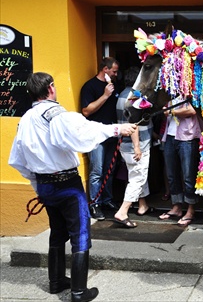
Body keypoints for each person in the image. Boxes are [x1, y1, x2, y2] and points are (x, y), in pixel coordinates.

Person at [8, 72, 136, 302]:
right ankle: (79, 292)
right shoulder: (55, 114)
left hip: (45, 185)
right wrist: (117, 129)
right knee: (80, 234)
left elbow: (18, 160)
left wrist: (38, 185)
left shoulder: (25, 118)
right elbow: (83, 131)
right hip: (67, 185)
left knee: (58, 232)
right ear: (50, 88)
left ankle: (56, 282)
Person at [113, 66, 155, 228]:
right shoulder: (133, 98)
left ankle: (142, 205)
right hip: (136, 146)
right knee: (137, 179)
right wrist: (137, 146)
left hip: (125, 145)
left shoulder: (122, 96)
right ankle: (123, 211)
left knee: (136, 175)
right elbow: (133, 124)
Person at [80, 57, 120, 220]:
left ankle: (107, 200)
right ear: (105, 69)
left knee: (109, 170)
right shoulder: (90, 86)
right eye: (114, 71)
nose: (116, 74)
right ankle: (94, 204)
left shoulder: (113, 86)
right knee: (97, 171)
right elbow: (86, 111)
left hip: (111, 133)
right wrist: (105, 95)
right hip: (95, 135)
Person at [158, 96, 202, 226]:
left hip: (187, 137)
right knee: (172, 174)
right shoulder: (171, 92)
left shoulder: (191, 89)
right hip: (170, 137)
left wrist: (171, 111)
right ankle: (176, 207)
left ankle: (190, 209)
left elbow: (192, 110)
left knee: (188, 175)